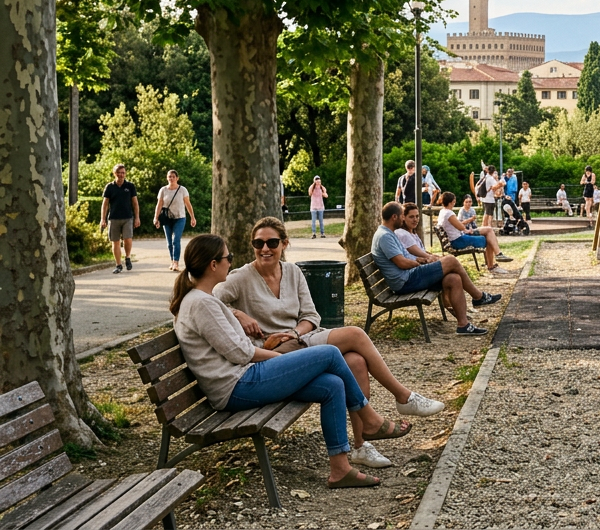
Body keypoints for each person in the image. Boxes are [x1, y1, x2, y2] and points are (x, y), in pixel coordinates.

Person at [172, 233, 408, 489]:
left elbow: (238, 350)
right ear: (213, 265)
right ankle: (370, 420)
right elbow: (240, 353)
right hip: (236, 386)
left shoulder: (203, 300)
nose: (231, 262)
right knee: (328, 354)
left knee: (332, 385)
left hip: (245, 377)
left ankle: (340, 469)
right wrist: (287, 359)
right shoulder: (201, 304)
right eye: (228, 257)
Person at [216, 217, 446, 469]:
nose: (264, 249)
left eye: (272, 242)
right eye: (258, 243)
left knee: (356, 362)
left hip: (300, 339)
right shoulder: (241, 278)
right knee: (356, 335)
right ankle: (403, 397)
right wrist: (239, 314)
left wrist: (295, 333)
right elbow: (211, 299)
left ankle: (360, 446)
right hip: (274, 352)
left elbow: (311, 316)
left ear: (284, 243)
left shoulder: (292, 271)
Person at [372, 202, 502, 335]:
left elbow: (405, 258)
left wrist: (421, 260)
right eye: (401, 216)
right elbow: (402, 263)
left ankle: (463, 325)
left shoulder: (389, 233)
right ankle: (478, 296)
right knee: (450, 260)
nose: (403, 219)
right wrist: (421, 263)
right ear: (394, 217)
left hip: (408, 276)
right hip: (405, 281)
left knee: (453, 278)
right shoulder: (385, 236)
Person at [435, 194, 512, 268]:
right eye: (454, 201)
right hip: (458, 240)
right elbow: (461, 226)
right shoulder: (449, 214)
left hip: (461, 235)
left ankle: (498, 254)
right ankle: (491, 265)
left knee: (488, 229)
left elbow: (459, 227)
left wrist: (466, 230)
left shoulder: (443, 211)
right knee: (488, 239)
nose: (454, 203)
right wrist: (466, 228)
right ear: (451, 202)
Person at [100, 163, 140, 273]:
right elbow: (105, 204)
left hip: (127, 217)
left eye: (123, 173)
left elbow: (135, 203)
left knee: (128, 239)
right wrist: (102, 219)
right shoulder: (110, 187)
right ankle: (118, 265)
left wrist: (137, 218)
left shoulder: (130, 186)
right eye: (119, 173)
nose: (121, 175)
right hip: (113, 218)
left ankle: (127, 257)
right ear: (114, 173)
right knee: (115, 242)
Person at [153, 170, 196, 271]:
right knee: (169, 242)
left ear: (177, 178)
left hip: (180, 218)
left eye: (173, 177)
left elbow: (188, 204)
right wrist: (156, 218)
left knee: (176, 240)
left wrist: (192, 217)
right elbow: (159, 205)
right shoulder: (163, 190)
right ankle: (172, 261)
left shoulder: (182, 190)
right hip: (167, 219)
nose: (171, 178)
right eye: (169, 177)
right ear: (167, 178)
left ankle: (176, 262)